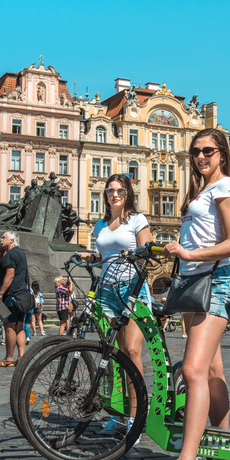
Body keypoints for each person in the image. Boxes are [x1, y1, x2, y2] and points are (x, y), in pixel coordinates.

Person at [144, 128, 230, 460]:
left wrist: (189, 254)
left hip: (212, 283)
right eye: (196, 151)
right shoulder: (200, 191)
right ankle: (224, 447)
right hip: (191, 286)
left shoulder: (226, 187)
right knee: (213, 370)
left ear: (221, 154)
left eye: (208, 151)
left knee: (193, 370)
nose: (201, 156)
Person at [76, 172, 153, 434]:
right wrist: (89, 258)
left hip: (132, 290)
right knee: (116, 356)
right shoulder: (99, 225)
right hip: (107, 292)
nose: (115, 194)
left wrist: (137, 273)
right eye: (110, 191)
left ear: (128, 193)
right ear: (105, 195)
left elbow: (146, 255)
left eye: (120, 190)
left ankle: (136, 417)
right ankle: (121, 414)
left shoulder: (137, 220)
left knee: (132, 351)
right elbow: (103, 257)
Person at [0, 231, 30, 368]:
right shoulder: (19, 253)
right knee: (19, 326)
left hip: (10, 295)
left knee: (8, 326)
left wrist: (0, 293)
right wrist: (0, 254)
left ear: (11, 240)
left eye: (3, 238)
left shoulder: (10, 255)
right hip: (22, 295)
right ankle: (21, 357)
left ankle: (9, 357)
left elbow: (9, 274)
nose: (1, 239)